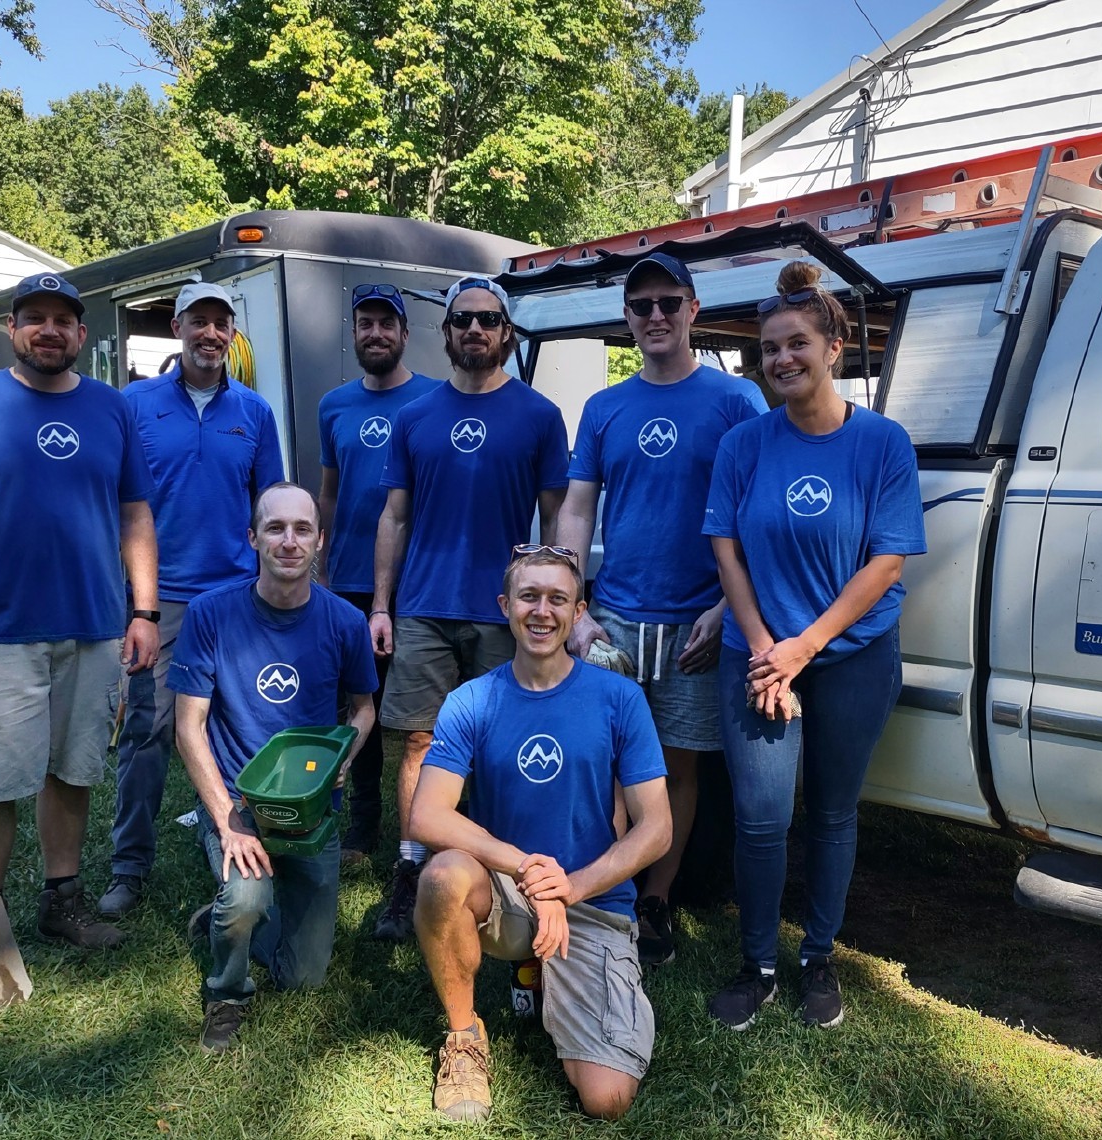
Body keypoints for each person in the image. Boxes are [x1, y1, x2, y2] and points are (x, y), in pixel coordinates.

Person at [0, 272, 159, 950]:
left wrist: (145, 612)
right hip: (1, 626)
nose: (49, 329)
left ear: (81, 334)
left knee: (73, 771)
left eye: (62, 320)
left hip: (96, 623)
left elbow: (135, 513)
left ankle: (60, 902)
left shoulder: (112, 408)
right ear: (12, 330)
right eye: (34, 318)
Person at [702, 261, 925, 1031]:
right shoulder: (743, 444)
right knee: (761, 817)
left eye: (797, 343)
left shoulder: (883, 443)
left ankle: (818, 957)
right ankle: (757, 963)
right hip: (758, 657)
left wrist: (805, 648)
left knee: (831, 813)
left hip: (854, 656)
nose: (782, 359)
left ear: (835, 346)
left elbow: (886, 561)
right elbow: (726, 550)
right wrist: (767, 647)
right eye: (769, 348)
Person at [409, 547, 671, 1121]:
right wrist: (528, 868)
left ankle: (548, 978)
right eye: (529, 596)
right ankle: (464, 1038)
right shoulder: (473, 700)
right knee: (441, 877)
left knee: (607, 1101)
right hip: (506, 891)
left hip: (592, 903)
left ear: (580, 612)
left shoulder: (618, 699)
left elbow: (657, 829)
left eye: (558, 599)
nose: (542, 611)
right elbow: (426, 816)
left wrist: (569, 888)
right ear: (506, 607)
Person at [557, 251, 766, 966]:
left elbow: (757, 513)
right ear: (627, 319)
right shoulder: (604, 407)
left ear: (692, 311)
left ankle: (656, 902)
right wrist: (574, 603)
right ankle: (603, 895)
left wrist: (723, 607)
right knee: (611, 761)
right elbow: (578, 509)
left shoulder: (736, 402)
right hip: (615, 616)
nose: (654, 317)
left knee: (678, 767)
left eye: (668, 303)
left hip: (696, 622)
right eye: (640, 306)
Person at [368, 277, 570, 941]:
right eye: (462, 321)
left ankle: (501, 876)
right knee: (420, 742)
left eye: (488, 320)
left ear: (506, 334)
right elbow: (393, 515)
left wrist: (560, 603)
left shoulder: (540, 417)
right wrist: (380, 603)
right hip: (425, 605)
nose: (475, 330)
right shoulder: (415, 417)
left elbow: (557, 517)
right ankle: (411, 869)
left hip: (502, 613)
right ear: (447, 333)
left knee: (501, 748)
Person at [169, 482, 378, 1051]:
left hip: (312, 812)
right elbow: (188, 729)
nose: (289, 541)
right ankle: (226, 992)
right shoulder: (211, 614)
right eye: (276, 528)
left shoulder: (344, 622)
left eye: (302, 529)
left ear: (319, 541)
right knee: (245, 901)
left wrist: (343, 756)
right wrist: (226, 817)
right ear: (253, 538)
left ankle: (222, 916)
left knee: (304, 977)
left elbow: (364, 710)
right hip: (240, 806)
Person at [101, 282, 284, 918]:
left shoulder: (255, 413)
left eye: (221, 324)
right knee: (147, 731)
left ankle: (252, 849)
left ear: (232, 333)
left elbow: (272, 508)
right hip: (165, 600)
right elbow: (120, 506)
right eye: (199, 321)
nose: (210, 334)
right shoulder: (134, 404)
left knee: (250, 728)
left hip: (238, 597)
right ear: (178, 327)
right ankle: (129, 866)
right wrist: (136, 606)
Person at [316, 283, 441, 865]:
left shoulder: (435, 400)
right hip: (346, 582)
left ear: (405, 333)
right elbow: (330, 493)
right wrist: (320, 565)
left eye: (386, 324)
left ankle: (428, 834)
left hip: (415, 584)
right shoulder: (334, 405)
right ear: (355, 332)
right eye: (365, 323)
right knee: (356, 708)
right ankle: (361, 832)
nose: (375, 333)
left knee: (423, 724)